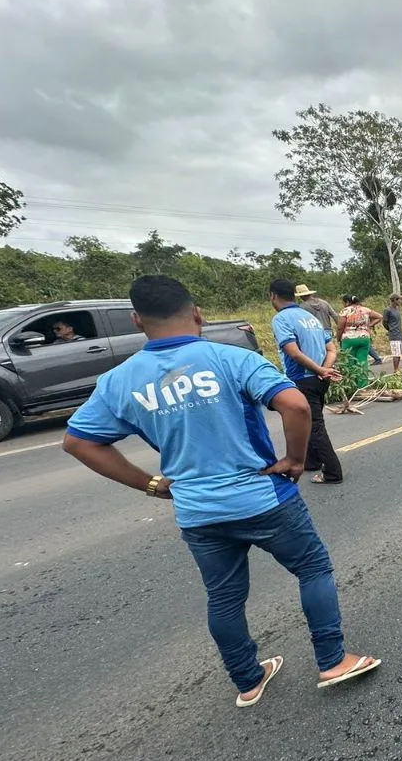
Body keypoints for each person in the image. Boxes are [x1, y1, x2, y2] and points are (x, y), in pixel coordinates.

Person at [61, 275, 380, 708]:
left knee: (225, 597)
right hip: (263, 498)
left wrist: (151, 484)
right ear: (197, 313)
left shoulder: (119, 381)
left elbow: (79, 442)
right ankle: (332, 660)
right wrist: (295, 460)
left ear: (138, 321)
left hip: (198, 512)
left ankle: (248, 680)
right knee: (312, 568)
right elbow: (297, 404)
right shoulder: (232, 359)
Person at [269, 279, 344, 485]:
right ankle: (311, 461)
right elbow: (331, 349)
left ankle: (332, 472)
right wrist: (324, 370)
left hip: (302, 378)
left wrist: (319, 370)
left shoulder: (282, 319)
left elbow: (292, 352)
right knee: (310, 421)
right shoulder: (309, 317)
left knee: (315, 425)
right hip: (319, 378)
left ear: (273, 296)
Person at [336, 294, 380, 387]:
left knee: (349, 362)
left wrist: (338, 338)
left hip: (349, 339)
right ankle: (362, 385)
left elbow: (340, 327)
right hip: (364, 338)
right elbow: (379, 317)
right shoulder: (365, 309)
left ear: (347, 302)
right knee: (362, 361)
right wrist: (369, 325)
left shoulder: (345, 311)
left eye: (343, 303)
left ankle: (351, 385)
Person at [382, 294, 402, 374]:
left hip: (399, 334)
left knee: (399, 354)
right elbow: (384, 322)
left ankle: (398, 368)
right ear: (395, 300)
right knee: (395, 353)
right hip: (394, 335)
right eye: (399, 299)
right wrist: (390, 329)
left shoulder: (397, 309)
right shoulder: (388, 310)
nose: (400, 301)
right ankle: (395, 369)